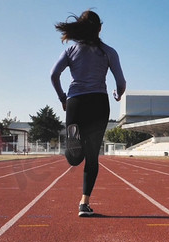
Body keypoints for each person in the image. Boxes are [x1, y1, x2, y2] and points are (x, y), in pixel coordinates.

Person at [50, 10, 126, 217]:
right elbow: (121, 82)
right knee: (92, 157)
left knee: (75, 158)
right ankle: (84, 203)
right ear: (99, 28)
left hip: (75, 103)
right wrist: (117, 95)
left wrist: (62, 98)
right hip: (98, 104)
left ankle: (74, 146)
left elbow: (54, 75)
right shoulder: (109, 51)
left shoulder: (71, 50)